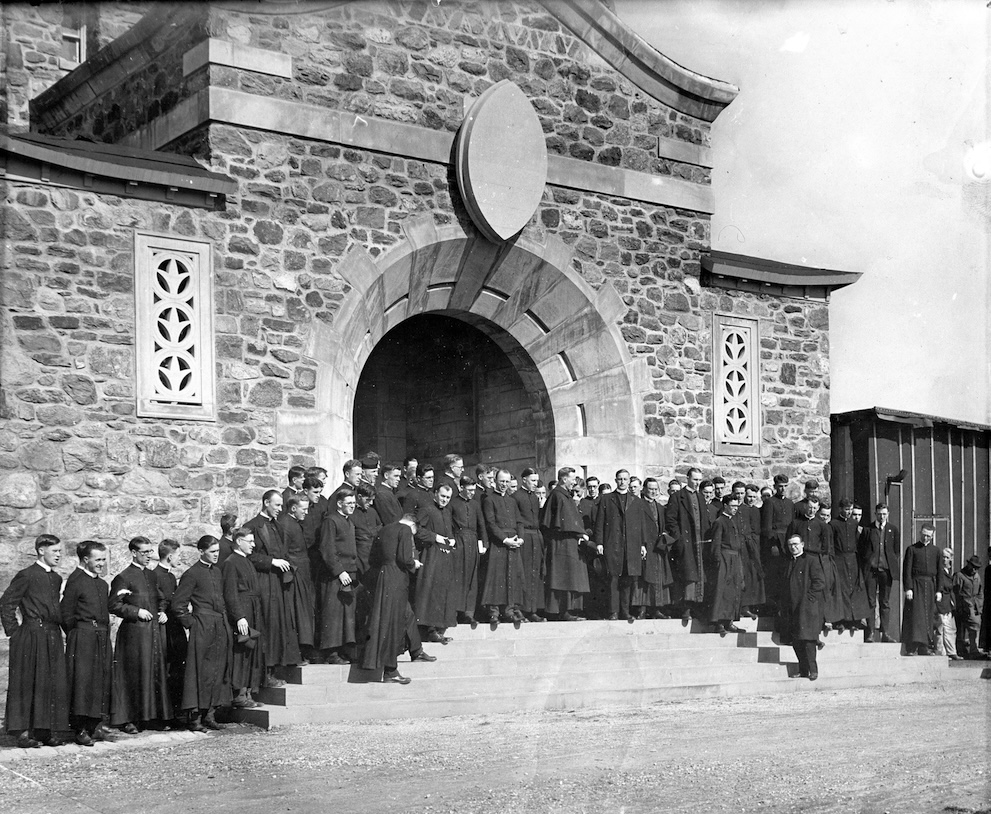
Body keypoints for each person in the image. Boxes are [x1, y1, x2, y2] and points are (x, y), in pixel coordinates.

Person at [1, 534, 70, 748]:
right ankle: (22, 732)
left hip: (52, 634)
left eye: (60, 551)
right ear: (41, 550)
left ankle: (44, 730)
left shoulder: (56, 578)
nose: (59, 555)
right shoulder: (27, 575)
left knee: (49, 683)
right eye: (55, 551)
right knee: (27, 683)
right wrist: (15, 632)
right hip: (31, 635)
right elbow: (6, 603)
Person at [359, 514, 436, 683]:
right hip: (397, 578)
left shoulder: (384, 529)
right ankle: (390, 672)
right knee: (392, 623)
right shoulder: (406, 530)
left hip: (384, 576)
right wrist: (414, 564)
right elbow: (405, 558)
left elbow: (373, 558)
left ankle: (416, 651)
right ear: (413, 525)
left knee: (406, 614)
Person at [109, 536, 172, 734]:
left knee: (153, 674)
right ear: (134, 553)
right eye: (144, 553)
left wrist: (162, 611)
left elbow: (161, 598)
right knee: (134, 676)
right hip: (134, 635)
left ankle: (150, 717)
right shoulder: (123, 576)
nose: (148, 556)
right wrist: (136, 612)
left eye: (149, 552)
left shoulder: (152, 576)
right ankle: (130, 719)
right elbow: (114, 604)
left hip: (153, 632)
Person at [171, 535, 232, 731]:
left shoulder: (217, 572)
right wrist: (193, 624)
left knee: (217, 669)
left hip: (219, 626)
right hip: (202, 626)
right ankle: (195, 718)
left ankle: (210, 714)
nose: (216, 555)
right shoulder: (192, 573)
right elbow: (178, 604)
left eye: (217, 552)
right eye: (212, 552)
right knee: (199, 671)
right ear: (201, 552)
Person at [243, 490, 300, 686]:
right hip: (263, 582)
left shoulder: (278, 525)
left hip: (279, 583)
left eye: (281, 505)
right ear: (266, 502)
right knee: (267, 626)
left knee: (279, 626)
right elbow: (248, 556)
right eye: (276, 505)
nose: (279, 509)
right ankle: (265, 675)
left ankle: (275, 669)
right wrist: (271, 561)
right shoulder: (252, 526)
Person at [60, 540, 112, 747]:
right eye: (97, 559)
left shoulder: (102, 584)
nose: (101, 563)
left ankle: (94, 723)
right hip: (83, 636)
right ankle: (80, 728)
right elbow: (66, 613)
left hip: (101, 635)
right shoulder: (76, 581)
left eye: (103, 559)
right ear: (85, 560)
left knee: (100, 679)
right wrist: (79, 634)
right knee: (82, 682)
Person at [593, 469, 649, 621]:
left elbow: (641, 524)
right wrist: (599, 542)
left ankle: (625, 611)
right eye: (620, 479)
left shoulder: (636, 501)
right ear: (615, 480)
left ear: (629, 481)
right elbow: (599, 522)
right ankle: (613, 612)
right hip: (613, 544)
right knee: (613, 579)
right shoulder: (606, 499)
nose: (623, 482)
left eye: (625, 479)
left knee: (627, 580)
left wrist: (643, 545)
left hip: (631, 546)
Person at [222, 527, 266, 708]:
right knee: (242, 652)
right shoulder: (231, 562)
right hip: (243, 614)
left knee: (251, 652)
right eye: (250, 541)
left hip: (253, 611)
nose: (254, 545)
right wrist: (239, 617)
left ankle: (248, 692)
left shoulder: (246, 561)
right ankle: (238, 695)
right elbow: (230, 593)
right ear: (239, 541)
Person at [541, 467, 590, 621]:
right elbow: (558, 522)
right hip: (562, 543)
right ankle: (563, 612)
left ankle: (567, 610)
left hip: (568, 542)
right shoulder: (558, 496)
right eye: (572, 479)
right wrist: (580, 532)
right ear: (563, 479)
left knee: (569, 577)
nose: (574, 482)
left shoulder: (564, 496)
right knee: (562, 577)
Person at [318, 485, 359, 664]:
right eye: (348, 503)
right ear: (339, 503)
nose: (352, 506)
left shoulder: (349, 521)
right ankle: (331, 652)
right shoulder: (331, 521)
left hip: (349, 572)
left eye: (354, 503)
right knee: (333, 614)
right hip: (335, 575)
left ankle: (344, 650)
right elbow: (327, 549)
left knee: (346, 615)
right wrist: (339, 571)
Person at [414, 483, 459, 642]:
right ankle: (430, 629)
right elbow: (416, 530)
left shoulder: (447, 512)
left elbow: (449, 531)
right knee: (431, 590)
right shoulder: (426, 510)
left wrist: (452, 540)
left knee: (442, 590)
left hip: (445, 556)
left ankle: (440, 627)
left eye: (448, 497)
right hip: (431, 555)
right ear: (435, 494)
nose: (445, 500)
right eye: (442, 496)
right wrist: (435, 537)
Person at [481, 468, 525, 624]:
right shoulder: (489, 499)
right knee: (496, 576)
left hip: (513, 541)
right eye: (501, 481)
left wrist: (520, 538)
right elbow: (490, 524)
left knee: (512, 576)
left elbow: (519, 521)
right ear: (495, 481)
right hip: (499, 543)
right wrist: (505, 540)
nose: (504, 485)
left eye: (507, 482)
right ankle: (494, 611)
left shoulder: (512, 500)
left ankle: (510, 610)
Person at [666, 467, 709, 621]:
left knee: (700, 575)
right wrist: (678, 539)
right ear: (688, 479)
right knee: (687, 575)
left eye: (699, 480)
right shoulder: (678, 497)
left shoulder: (700, 497)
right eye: (694, 479)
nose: (697, 483)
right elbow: (671, 519)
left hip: (700, 542)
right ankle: (686, 609)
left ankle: (697, 607)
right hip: (686, 542)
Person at [782, 534, 825, 680]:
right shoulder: (788, 562)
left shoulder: (811, 561)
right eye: (790, 545)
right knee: (796, 640)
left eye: (795, 544)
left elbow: (819, 582)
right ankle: (803, 670)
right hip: (792, 607)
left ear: (802, 544)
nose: (793, 547)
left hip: (806, 607)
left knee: (808, 640)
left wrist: (809, 599)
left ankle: (813, 670)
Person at [279, 494, 316, 662]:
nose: (306, 513)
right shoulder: (286, 524)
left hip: (302, 572)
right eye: (304, 509)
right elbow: (284, 551)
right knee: (297, 614)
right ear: (293, 508)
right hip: (295, 575)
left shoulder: (294, 523)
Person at [153, 538, 186, 723]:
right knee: (164, 668)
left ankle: (174, 712)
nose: (180, 558)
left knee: (176, 668)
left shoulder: (171, 576)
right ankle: (163, 715)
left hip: (174, 627)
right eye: (178, 555)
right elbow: (155, 599)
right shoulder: (155, 575)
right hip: (163, 629)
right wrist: (160, 612)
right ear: (170, 556)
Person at [859, 502, 900, 643]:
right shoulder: (868, 530)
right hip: (871, 571)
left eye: (884, 514)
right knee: (870, 601)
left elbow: (896, 551)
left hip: (886, 571)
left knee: (885, 602)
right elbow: (862, 550)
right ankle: (870, 633)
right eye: (879, 514)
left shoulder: (893, 530)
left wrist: (889, 564)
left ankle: (885, 633)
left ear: (887, 514)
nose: (882, 516)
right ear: (875, 514)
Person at [633, 477, 673, 619]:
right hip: (645, 546)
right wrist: (640, 544)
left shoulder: (660, 507)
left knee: (659, 577)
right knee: (644, 578)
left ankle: (657, 609)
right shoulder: (638, 505)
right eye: (650, 489)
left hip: (658, 548)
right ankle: (642, 609)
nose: (653, 492)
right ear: (644, 489)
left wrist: (665, 534)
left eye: (655, 489)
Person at [707, 495, 746, 635]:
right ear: (725, 506)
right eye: (732, 506)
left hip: (735, 558)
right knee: (721, 590)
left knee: (734, 590)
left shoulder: (733, 521)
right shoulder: (719, 522)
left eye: (737, 506)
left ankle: (729, 621)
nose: (735, 509)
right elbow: (716, 543)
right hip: (724, 558)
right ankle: (718, 623)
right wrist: (718, 561)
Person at [830, 499, 869, 632]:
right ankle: (840, 621)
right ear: (840, 509)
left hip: (852, 559)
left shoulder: (854, 524)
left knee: (854, 589)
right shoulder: (833, 524)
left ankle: (853, 621)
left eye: (850, 509)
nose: (848, 512)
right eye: (846, 509)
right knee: (841, 589)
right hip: (839, 559)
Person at [902, 524, 940, 655]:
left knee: (927, 617)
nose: (926, 538)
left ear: (932, 536)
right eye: (924, 535)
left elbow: (939, 572)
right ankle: (911, 648)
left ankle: (925, 647)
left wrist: (939, 590)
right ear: (920, 533)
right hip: (915, 586)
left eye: (928, 536)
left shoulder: (936, 551)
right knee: (914, 616)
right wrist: (908, 588)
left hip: (929, 586)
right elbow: (906, 571)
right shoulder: (912, 549)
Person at [514, 467, 546, 623]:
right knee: (524, 573)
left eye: (536, 480)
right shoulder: (516, 497)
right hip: (525, 536)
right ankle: (522, 609)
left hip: (535, 536)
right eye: (532, 480)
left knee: (535, 573)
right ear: (524, 480)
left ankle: (533, 610)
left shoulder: (534, 497)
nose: (535, 483)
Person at [451, 475, 484, 624]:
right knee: (459, 576)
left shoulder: (476, 504)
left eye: (474, 490)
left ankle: (469, 613)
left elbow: (481, 524)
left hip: (473, 541)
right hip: (459, 541)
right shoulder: (453, 503)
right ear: (461, 488)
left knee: (472, 577)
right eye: (469, 490)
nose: (472, 493)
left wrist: (483, 543)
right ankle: (457, 611)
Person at [760, 474, 794, 614]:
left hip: (788, 543)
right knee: (775, 575)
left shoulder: (790, 503)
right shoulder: (770, 502)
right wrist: (773, 545)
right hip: (775, 544)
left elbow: (792, 525)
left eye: (785, 487)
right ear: (775, 487)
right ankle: (772, 607)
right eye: (780, 487)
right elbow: (767, 526)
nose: (783, 489)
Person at [737, 484, 765, 619]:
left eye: (754, 497)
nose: (751, 499)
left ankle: (753, 605)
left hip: (755, 545)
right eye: (749, 496)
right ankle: (744, 606)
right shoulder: (740, 509)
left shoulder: (756, 510)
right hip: (744, 546)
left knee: (755, 575)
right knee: (745, 575)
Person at [953, 554, 984, 659]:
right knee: (960, 630)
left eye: (977, 568)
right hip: (963, 606)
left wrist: (979, 605)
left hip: (974, 607)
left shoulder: (977, 577)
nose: (974, 570)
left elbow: (980, 592)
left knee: (975, 627)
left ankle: (974, 650)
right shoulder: (959, 576)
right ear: (968, 564)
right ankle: (961, 650)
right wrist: (959, 607)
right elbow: (956, 592)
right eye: (973, 567)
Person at [934, 548, 960, 660]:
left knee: (950, 628)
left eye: (947, 557)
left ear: (951, 559)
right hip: (941, 602)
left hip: (949, 603)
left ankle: (951, 651)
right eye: (943, 557)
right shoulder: (938, 571)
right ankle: (941, 653)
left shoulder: (949, 571)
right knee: (940, 628)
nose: (945, 559)